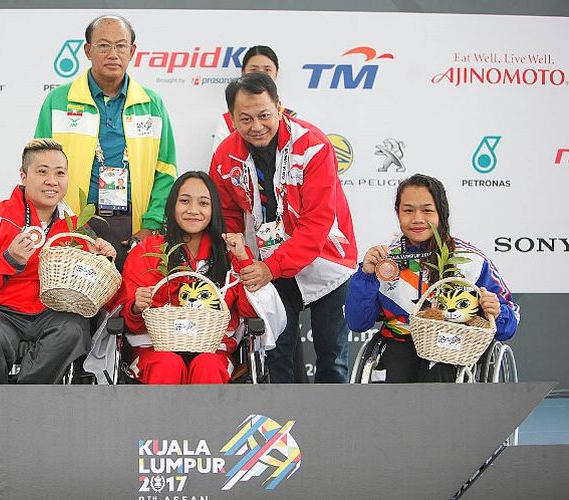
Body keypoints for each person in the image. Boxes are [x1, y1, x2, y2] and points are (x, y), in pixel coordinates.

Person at [209, 72, 358, 384]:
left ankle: (334, 430)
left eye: (264, 115)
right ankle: (283, 429)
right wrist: (245, 260)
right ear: (232, 118)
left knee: (331, 354)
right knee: (278, 352)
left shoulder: (313, 146)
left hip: (325, 260)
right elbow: (229, 220)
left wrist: (269, 268)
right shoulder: (224, 156)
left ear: (279, 106)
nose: (257, 126)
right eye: (245, 119)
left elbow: (316, 226)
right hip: (268, 261)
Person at [0, 139, 116, 384]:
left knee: (73, 331)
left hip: (52, 311)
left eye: (60, 173)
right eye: (42, 172)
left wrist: (103, 259)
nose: (52, 181)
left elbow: (93, 284)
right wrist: (8, 260)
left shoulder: (76, 226)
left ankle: (25, 400)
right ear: (23, 176)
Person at [344, 173, 520, 382]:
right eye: (408, 211)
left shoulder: (471, 260)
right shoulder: (384, 262)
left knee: (442, 371)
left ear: (441, 213)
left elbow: (508, 327)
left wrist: (496, 312)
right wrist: (366, 277)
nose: (417, 219)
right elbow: (358, 323)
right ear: (398, 214)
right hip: (400, 343)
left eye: (427, 210)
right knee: (393, 380)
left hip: (452, 345)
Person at [34, 14, 177, 271]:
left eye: (121, 46)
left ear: (132, 51)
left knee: (133, 305)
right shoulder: (58, 101)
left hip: (134, 228)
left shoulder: (152, 104)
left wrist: (151, 225)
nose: (113, 54)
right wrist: (61, 225)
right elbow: (39, 168)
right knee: (76, 306)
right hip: (73, 225)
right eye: (103, 45)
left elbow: (165, 171)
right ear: (88, 50)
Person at [114, 171, 285, 384]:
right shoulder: (148, 250)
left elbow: (250, 313)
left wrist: (243, 259)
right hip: (153, 348)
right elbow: (128, 319)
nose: (193, 210)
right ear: (171, 206)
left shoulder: (230, 253)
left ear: (214, 210)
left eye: (203, 203)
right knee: (167, 365)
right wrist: (136, 307)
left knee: (208, 366)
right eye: (184, 201)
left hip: (215, 349)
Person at [211, 45, 298, 156]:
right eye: (254, 69)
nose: (260, 74)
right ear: (243, 73)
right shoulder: (226, 120)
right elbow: (220, 160)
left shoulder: (293, 119)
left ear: (276, 73)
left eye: (267, 69)